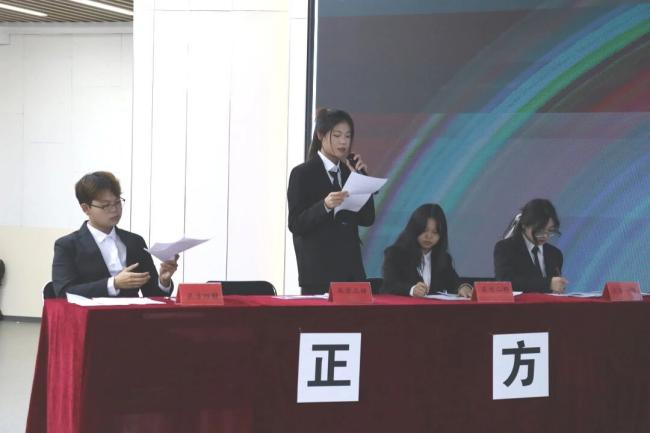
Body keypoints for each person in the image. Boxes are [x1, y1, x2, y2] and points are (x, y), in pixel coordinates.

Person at [287, 108, 375, 294]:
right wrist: (325, 206)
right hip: (318, 274)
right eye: (337, 135)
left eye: (348, 136)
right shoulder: (302, 173)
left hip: (352, 273)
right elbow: (295, 224)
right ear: (320, 135)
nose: (343, 141)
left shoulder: (349, 171)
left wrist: (362, 180)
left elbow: (367, 219)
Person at [52, 171, 178, 298]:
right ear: (86, 208)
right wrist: (114, 284)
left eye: (117, 202)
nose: (114, 209)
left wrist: (163, 281)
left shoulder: (135, 241)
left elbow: (153, 295)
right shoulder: (67, 245)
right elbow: (64, 292)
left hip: (132, 310)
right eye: (105, 205)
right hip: (91, 311)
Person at [382, 204, 473, 298]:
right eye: (424, 230)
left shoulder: (444, 258)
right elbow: (389, 286)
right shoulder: (395, 254)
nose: (429, 236)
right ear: (414, 229)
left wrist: (463, 287)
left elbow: (454, 282)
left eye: (435, 232)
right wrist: (412, 290)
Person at [493, 198, 568, 293]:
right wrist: (548, 283)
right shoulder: (505, 248)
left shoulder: (555, 254)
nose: (545, 236)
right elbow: (505, 282)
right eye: (539, 230)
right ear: (524, 225)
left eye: (550, 230)